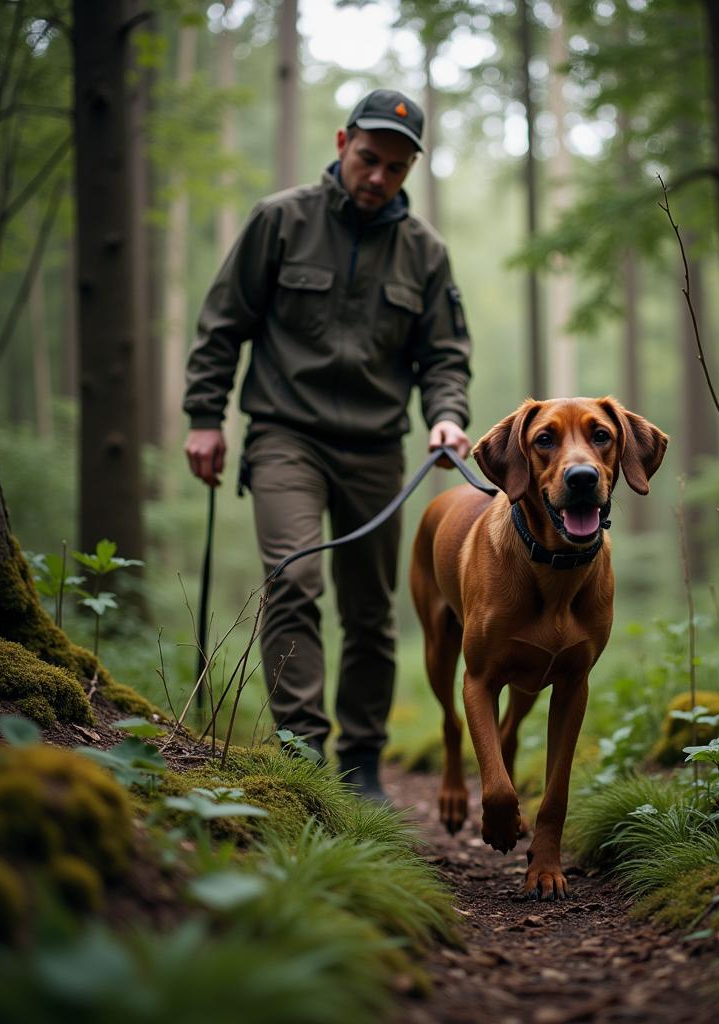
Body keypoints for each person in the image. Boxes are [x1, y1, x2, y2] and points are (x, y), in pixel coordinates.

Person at [182, 89, 472, 802]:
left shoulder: (425, 253)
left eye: (396, 168)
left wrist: (446, 415)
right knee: (294, 578)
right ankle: (303, 751)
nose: (378, 177)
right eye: (369, 158)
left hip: (377, 449)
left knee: (371, 611)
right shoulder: (279, 221)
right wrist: (204, 416)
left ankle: (362, 762)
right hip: (286, 436)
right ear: (343, 142)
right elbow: (224, 324)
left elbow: (445, 356)